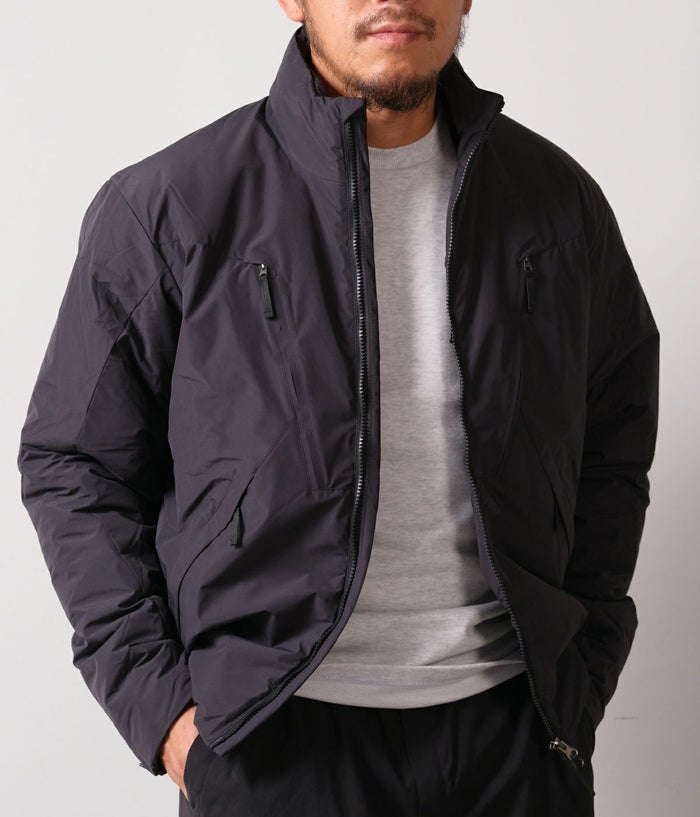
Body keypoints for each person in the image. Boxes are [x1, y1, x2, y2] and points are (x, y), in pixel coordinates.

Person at [17, 1, 659, 815]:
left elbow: (614, 439)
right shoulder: (173, 205)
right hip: (274, 740)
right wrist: (167, 713)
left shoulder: (557, 203)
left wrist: (585, 662)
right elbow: (75, 463)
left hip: (517, 737)